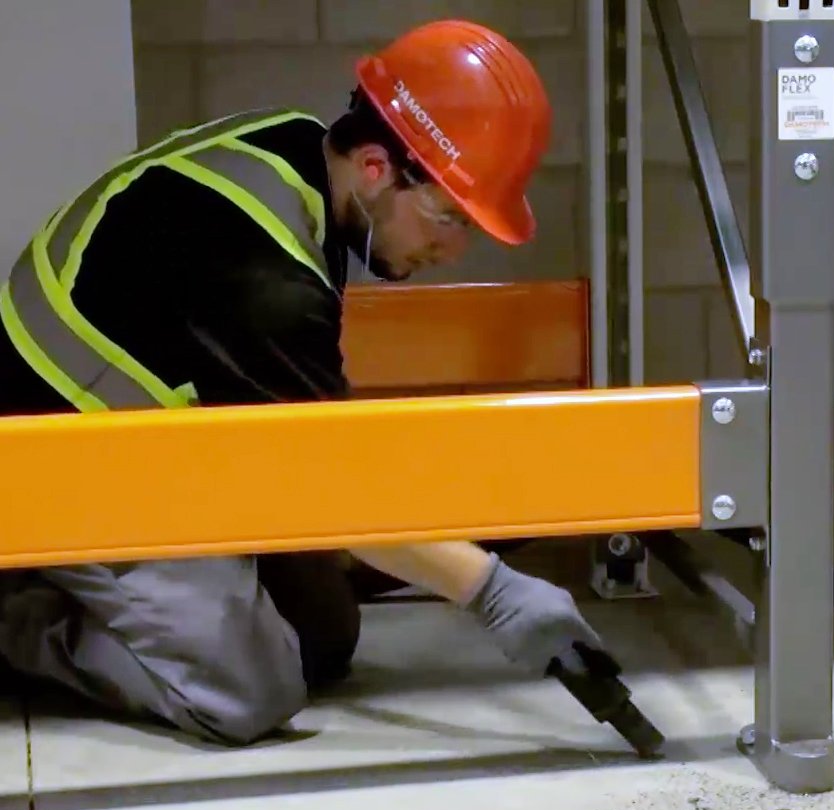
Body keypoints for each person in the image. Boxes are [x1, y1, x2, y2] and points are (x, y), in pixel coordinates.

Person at [0, 19, 614, 746]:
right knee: (250, 688)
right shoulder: (268, 282)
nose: (452, 249)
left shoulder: (300, 148)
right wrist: (491, 591)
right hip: (56, 468)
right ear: (379, 167)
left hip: (146, 446)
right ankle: (16, 623)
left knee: (324, 634)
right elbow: (330, 485)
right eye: (448, 216)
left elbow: (310, 457)